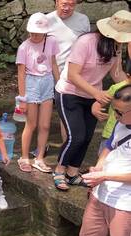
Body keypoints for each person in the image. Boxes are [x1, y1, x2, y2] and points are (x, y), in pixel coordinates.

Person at [64, 85, 131, 236]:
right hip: (101, 192)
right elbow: (109, 146)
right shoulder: (121, 125)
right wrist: (99, 168)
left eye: (120, 112)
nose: (116, 116)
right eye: (114, 111)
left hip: (125, 202)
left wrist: (106, 176)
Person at [53, 10, 129, 191]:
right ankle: (59, 170)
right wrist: (96, 93)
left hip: (92, 95)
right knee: (75, 136)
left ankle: (73, 173)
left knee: (87, 136)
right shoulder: (86, 42)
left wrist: (128, 85)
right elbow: (72, 75)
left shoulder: (116, 47)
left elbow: (116, 73)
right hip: (69, 93)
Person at [16, 13, 60, 173]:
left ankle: (39, 158)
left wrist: (59, 83)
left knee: (45, 125)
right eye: (32, 32)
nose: (34, 35)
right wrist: (22, 98)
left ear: (45, 31)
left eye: (38, 32)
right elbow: (21, 74)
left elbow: (53, 63)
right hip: (31, 83)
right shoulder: (24, 47)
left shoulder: (52, 42)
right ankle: (24, 157)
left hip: (47, 81)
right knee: (31, 124)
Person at [47, 0, 90, 146]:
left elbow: (87, 46)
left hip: (72, 75)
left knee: (67, 114)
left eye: (72, 4)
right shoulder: (47, 20)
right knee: (43, 115)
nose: (67, 8)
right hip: (47, 73)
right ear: (57, 1)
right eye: (64, 4)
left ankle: (68, 149)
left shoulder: (83, 20)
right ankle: (40, 148)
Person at [92, 58, 131, 155]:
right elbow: (98, 102)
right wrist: (96, 109)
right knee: (105, 158)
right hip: (110, 133)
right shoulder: (117, 88)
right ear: (128, 76)